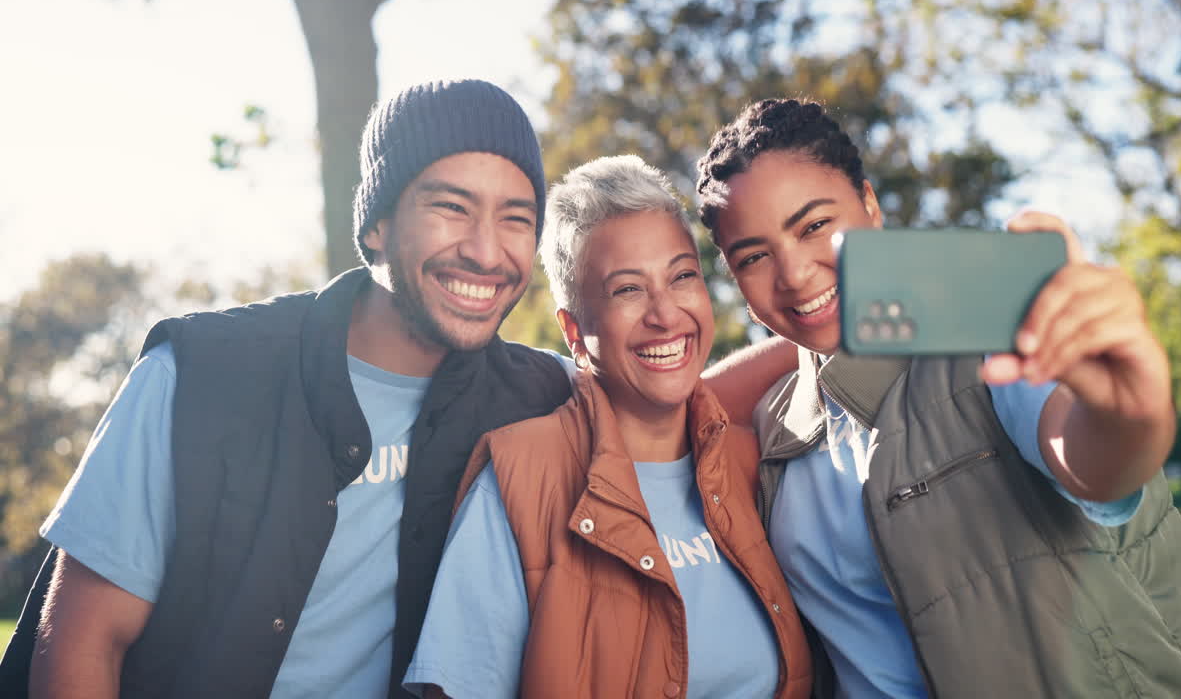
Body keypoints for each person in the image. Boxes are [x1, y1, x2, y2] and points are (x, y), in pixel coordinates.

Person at [0, 80, 791, 699]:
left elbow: (677, 391)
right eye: (452, 207)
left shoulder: (535, 394)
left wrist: (822, 327)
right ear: (377, 222)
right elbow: (79, 646)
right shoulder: (204, 375)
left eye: (516, 218)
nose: (486, 251)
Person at [693, 98, 1181, 698]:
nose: (794, 273)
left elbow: (1093, 457)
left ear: (870, 206)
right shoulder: (775, 429)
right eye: (753, 256)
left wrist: (1128, 409)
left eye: (815, 225)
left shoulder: (989, 348)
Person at [402, 156, 812, 698]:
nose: (665, 314)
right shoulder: (521, 479)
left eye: (682, 276)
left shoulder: (751, 464)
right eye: (627, 290)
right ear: (574, 331)